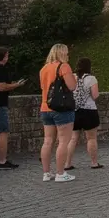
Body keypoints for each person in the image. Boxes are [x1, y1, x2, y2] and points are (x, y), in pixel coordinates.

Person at [39, 44, 78, 183]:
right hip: (61, 108)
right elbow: (72, 86)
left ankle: (46, 173)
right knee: (63, 141)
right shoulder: (64, 67)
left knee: (47, 141)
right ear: (63, 53)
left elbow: (44, 87)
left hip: (45, 107)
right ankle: (60, 173)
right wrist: (74, 78)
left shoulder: (44, 68)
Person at [68, 57, 102, 170]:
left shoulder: (72, 77)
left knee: (73, 138)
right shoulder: (91, 78)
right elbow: (95, 95)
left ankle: (67, 163)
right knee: (91, 138)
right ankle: (94, 162)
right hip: (89, 110)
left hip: (74, 110)